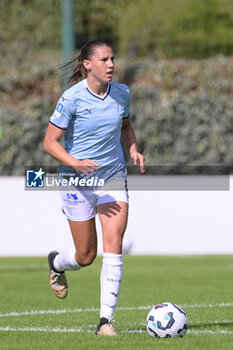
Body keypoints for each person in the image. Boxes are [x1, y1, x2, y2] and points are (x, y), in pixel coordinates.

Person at [43, 40, 145, 336]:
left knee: (113, 245)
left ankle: (105, 321)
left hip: (112, 177)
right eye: (104, 59)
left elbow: (126, 126)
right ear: (88, 64)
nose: (111, 64)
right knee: (85, 255)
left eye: (112, 58)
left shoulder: (122, 93)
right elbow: (50, 143)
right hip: (76, 182)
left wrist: (134, 149)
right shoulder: (71, 98)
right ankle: (57, 262)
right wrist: (74, 163)